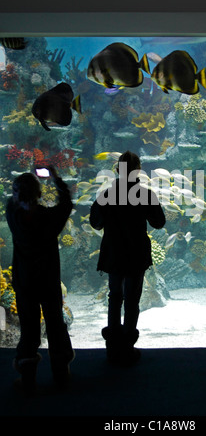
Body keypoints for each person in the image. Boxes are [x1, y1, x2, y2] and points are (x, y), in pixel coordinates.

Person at [90, 151, 166, 364]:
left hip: (114, 252)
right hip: (136, 253)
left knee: (114, 297)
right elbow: (159, 222)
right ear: (138, 170)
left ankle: (112, 347)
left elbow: (95, 222)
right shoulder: (145, 194)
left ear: (116, 170)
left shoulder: (106, 194)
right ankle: (127, 347)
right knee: (132, 299)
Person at [5, 167, 75, 394]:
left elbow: (13, 200)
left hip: (25, 282)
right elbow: (66, 204)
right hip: (48, 281)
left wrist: (21, 192)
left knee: (29, 329)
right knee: (55, 325)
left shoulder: (13, 215)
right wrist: (55, 177)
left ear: (17, 195)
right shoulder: (49, 218)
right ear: (39, 193)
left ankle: (27, 379)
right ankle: (61, 374)